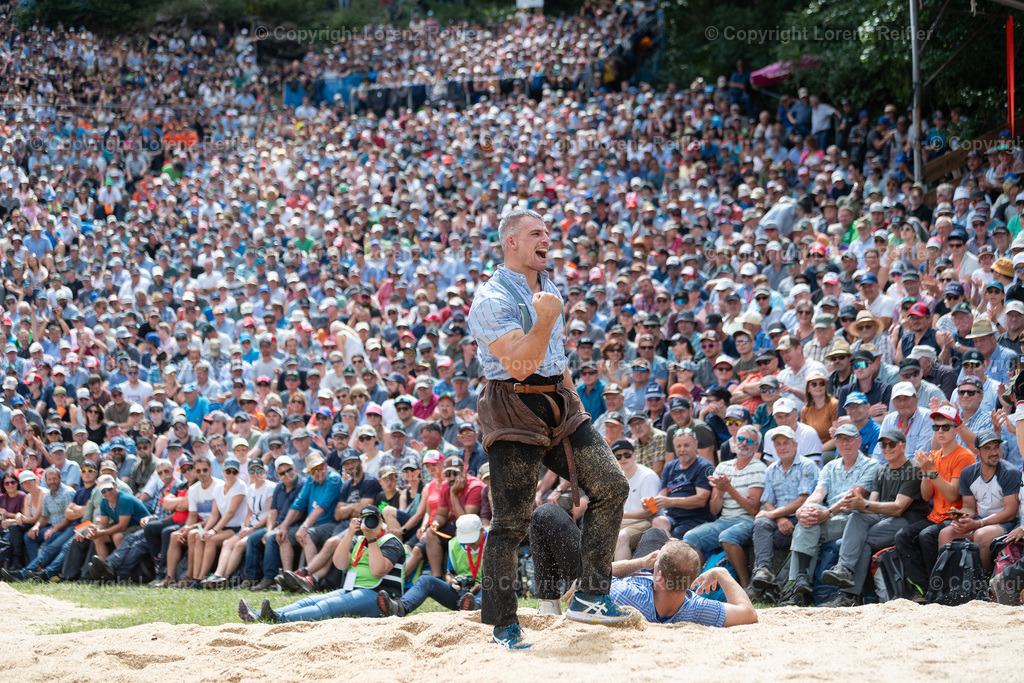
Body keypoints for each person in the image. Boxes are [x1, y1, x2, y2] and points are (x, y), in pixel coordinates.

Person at [468, 209, 630, 648]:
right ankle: (504, 625)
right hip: (512, 405)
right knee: (511, 523)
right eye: (536, 233)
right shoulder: (490, 299)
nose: (547, 240)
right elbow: (519, 363)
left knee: (612, 485)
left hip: (559, 399)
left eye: (547, 233)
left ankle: (591, 595)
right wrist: (544, 318)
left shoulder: (549, 287)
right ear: (511, 243)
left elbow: (555, 357)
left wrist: (577, 407)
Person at [525, 504, 757, 626]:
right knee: (656, 532)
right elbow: (749, 613)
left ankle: (547, 604)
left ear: (658, 577)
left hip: (616, 583)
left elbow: (592, 578)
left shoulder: (626, 594)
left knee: (545, 513)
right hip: (661, 591)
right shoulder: (695, 607)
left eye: (656, 563)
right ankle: (661, 556)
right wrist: (720, 571)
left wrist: (637, 563)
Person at [238, 505, 405, 623]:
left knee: (327, 606)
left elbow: (377, 571)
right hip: (353, 590)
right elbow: (340, 564)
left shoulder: (391, 541)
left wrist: (372, 539)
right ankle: (260, 614)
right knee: (308, 601)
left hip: (378, 596)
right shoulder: (358, 540)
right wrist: (349, 534)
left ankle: (278, 618)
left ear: (380, 520)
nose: (369, 523)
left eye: (372, 519)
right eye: (365, 520)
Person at [819, 429, 929, 606]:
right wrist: (855, 504)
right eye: (883, 445)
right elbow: (874, 507)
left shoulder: (912, 470)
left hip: (908, 521)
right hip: (886, 519)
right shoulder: (880, 470)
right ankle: (844, 571)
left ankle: (849, 595)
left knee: (863, 540)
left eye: (891, 444)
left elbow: (898, 508)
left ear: (903, 446)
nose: (886, 448)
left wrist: (864, 504)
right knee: (856, 517)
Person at [785, 423, 877, 604]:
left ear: (859, 441)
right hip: (832, 518)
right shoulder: (830, 466)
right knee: (810, 515)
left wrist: (827, 512)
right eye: (841, 439)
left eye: (849, 439)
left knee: (810, 522)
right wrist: (801, 510)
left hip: (853, 520)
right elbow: (818, 493)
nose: (845, 443)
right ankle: (801, 581)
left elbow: (854, 496)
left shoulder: (870, 465)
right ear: (835, 443)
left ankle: (798, 586)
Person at [893, 405, 977, 596]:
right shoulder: (934, 456)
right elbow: (926, 496)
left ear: (957, 429)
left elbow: (953, 495)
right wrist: (925, 471)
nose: (940, 431)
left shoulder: (964, 456)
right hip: (936, 516)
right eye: (936, 427)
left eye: (946, 427)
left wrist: (931, 470)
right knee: (902, 536)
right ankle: (922, 588)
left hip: (956, 515)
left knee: (927, 536)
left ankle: (937, 588)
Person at [683, 424, 766, 586]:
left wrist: (728, 488)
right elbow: (714, 509)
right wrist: (720, 491)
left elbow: (753, 509)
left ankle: (744, 585)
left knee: (727, 537)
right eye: (740, 439)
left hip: (747, 520)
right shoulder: (723, 466)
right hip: (724, 520)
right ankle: (698, 584)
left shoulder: (759, 468)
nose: (743, 443)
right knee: (690, 538)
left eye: (749, 441)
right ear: (734, 442)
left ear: (756, 447)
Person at [747, 426, 819, 601]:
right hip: (780, 518)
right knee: (761, 523)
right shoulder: (771, 469)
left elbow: (804, 499)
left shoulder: (807, 465)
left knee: (767, 520)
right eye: (778, 444)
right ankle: (763, 571)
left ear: (795, 445)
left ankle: (773, 587)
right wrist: (779, 518)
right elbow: (767, 501)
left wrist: (774, 514)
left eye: (786, 443)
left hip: (802, 515)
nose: (782, 447)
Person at [935, 429, 1020, 570]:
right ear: (977, 452)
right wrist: (961, 516)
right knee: (946, 533)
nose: (994, 452)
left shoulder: (1010, 472)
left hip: (1007, 523)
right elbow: (969, 507)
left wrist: (979, 524)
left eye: (996, 447)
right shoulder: (968, 473)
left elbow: (1010, 513)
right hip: (981, 520)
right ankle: (949, 582)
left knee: (981, 536)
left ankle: (983, 583)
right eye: (987, 448)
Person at [377, 513, 486, 616]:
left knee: (490, 584)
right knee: (425, 580)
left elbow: (500, 576)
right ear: (457, 532)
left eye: (472, 541)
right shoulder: (454, 544)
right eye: (465, 540)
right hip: (462, 595)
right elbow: (449, 574)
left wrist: (478, 586)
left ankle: (475, 607)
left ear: (481, 531)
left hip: (486, 593)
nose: (468, 544)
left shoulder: (494, 543)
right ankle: (400, 607)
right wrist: (452, 582)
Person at [650, 430, 715, 539]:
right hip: (672, 517)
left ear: (696, 445)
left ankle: (670, 550)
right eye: (678, 446)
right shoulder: (670, 466)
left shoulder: (704, 467)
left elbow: (701, 500)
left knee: (676, 534)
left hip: (696, 518)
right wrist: (653, 501)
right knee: (658, 522)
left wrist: (670, 501)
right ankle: (670, 549)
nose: (682, 450)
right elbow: (663, 493)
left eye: (686, 445)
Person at [611, 438, 662, 561]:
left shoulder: (647, 476)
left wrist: (621, 514)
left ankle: (623, 578)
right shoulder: (616, 477)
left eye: (627, 455)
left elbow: (651, 511)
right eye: (618, 456)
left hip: (646, 521)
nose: (623, 459)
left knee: (621, 537)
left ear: (634, 455)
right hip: (623, 521)